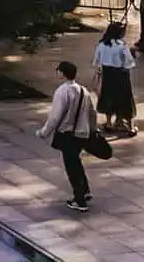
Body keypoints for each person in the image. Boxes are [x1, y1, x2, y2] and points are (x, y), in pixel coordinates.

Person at [37, 60, 96, 212]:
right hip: (82, 133)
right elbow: (92, 114)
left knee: (71, 166)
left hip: (67, 134)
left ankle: (79, 200)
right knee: (76, 161)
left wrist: (44, 132)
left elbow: (55, 117)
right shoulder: (84, 91)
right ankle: (85, 190)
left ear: (62, 73)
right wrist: (92, 131)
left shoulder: (62, 91)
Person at [92, 22, 137, 135]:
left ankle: (108, 123)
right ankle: (129, 126)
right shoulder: (122, 46)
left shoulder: (101, 45)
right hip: (120, 74)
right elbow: (129, 63)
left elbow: (96, 61)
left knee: (108, 97)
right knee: (125, 98)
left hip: (107, 74)